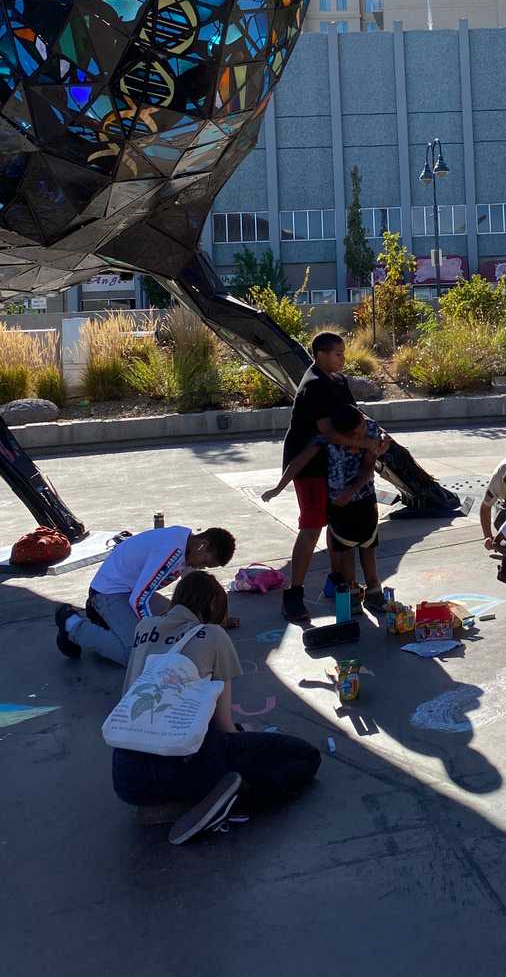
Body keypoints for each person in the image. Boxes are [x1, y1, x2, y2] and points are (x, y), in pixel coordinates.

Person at [112, 572, 320, 844]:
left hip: (128, 778)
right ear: (212, 605)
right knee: (305, 757)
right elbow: (224, 725)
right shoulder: (211, 634)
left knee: (218, 749)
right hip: (185, 764)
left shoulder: (144, 628)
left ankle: (172, 805)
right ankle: (231, 800)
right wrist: (245, 735)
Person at [278, 331, 390, 621]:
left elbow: (356, 419)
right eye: (337, 354)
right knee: (312, 525)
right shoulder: (314, 385)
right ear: (320, 355)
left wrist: (377, 438)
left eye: (343, 353)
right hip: (311, 464)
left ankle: (339, 581)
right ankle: (294, 593)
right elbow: (328, 432)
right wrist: (368, 445)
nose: (343, 358)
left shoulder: (339, 382)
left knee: (337, 523)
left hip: (336, 465)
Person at [55, 524, 236, 665]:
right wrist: (152, 635)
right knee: (138, 656)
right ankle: (72, 624)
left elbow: (195, 587)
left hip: (130, 591)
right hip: (108, 594)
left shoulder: (186, 543)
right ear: (203, 545)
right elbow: (139, 600)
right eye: (204, 562)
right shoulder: (172, 551)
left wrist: (215, 618)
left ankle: (109, 625)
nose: (200, 567)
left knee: (181, 625)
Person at [264, 405, 388, 611]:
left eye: (362, 427)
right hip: (338, 502)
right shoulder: (327, 437)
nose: (362, 435)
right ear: (342, 435)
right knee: (345, 547)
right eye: (355, 435)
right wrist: (278, 487)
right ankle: (351, 592)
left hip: (364, 497)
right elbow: (300, 460)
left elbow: (368, 465)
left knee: (368, 544)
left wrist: (353, 490)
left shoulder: (372, 430)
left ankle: (374, 589)